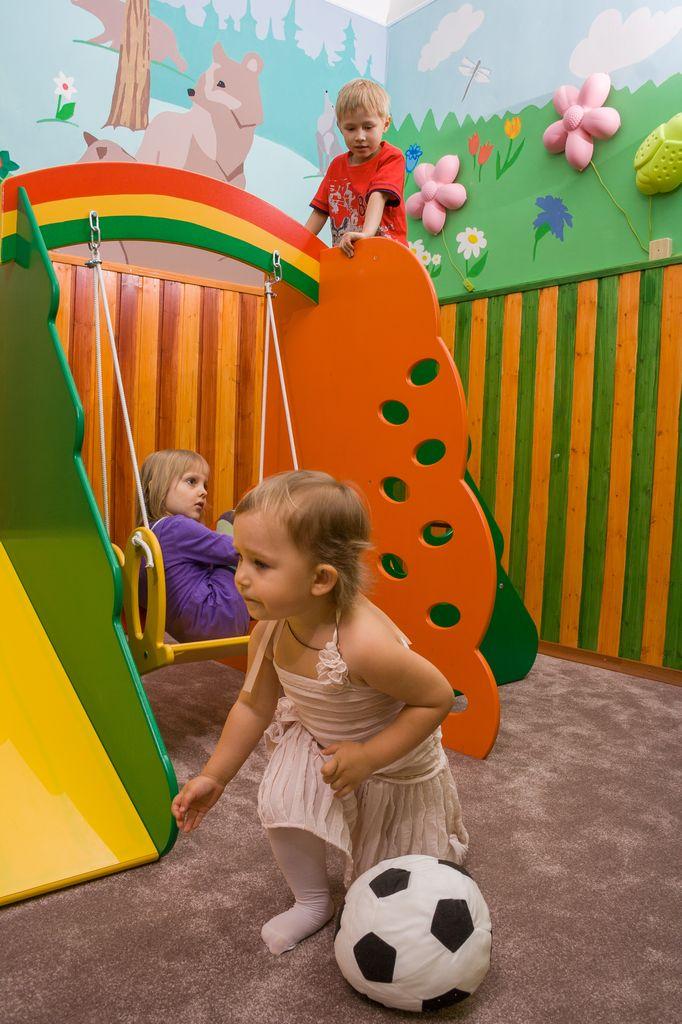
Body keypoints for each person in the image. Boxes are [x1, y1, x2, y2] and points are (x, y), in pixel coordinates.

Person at [171, 470, 468, 956]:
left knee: (398, 894)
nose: (240, 576)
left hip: (392, 760)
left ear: (321, 579)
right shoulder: (270, 629)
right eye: (239, 557)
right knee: (281, 801)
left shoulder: (364, 644)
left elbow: (436, 698)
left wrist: (369, 757)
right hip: (319, 742)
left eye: (261, 563)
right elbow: (252, 704)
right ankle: (311, 900)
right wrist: (214, 776)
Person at [137, 449, 250, 643]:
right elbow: (235, 549)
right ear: (156, 487)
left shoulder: (144, 536)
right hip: (220, 616)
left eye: (205, 484)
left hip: (183, 632)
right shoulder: (177, 526)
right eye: (191, 481)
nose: (204, 491)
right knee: (230, 519)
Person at [305, 78, 407, 257]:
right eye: (351, 129)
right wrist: (297, 243)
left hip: (386, 257)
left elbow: (378, 195)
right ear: (339, 127)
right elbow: (320, 212)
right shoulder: (336, 166)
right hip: (349, 257)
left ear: (385, 123)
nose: (360, 136)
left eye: (368, 127)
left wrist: (366, 234)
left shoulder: (391, 158)